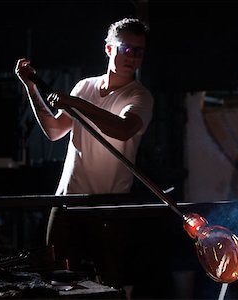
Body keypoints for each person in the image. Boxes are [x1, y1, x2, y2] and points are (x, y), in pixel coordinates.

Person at [15, 18, 153, 293]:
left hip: (109, 207)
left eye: (139, 51)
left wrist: (75, 103)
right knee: (56, 283)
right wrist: (31, 88)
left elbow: (124, 129)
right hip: (67, 201)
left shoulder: (140, 96)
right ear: (108, 48)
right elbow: (54, 130)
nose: (133, 57)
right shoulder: (84, 87)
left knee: (110, 285)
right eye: (127, 48)